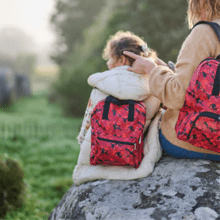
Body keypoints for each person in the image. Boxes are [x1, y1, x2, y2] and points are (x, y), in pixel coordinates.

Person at [123, 0, 220, 160]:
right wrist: (166, 70)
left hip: (195, 141)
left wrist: (151, 69)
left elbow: (178, 97)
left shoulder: (205, 32)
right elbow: (210, 85)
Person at [72, 31, 163, 185]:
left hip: (98, 163)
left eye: (110, 58)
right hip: (136, 163)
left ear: (121, 59)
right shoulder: (154, 87)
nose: (108, 63)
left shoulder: (101, 85)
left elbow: (86, 127)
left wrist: (83, 143)